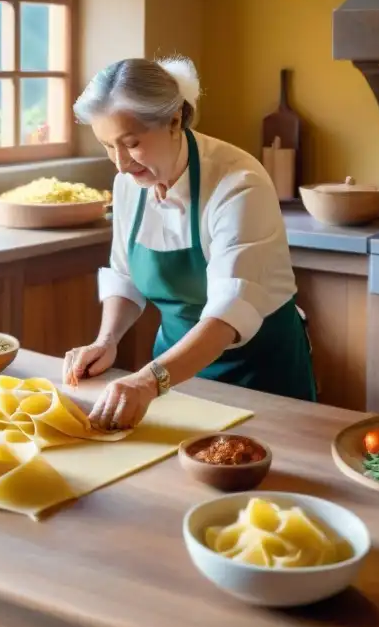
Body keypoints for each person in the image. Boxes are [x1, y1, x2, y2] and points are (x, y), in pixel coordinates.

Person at [63, 55, 316, 431]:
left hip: (261, 378)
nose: (120, 164)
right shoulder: (130, 183)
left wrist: (147, 381)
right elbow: (125, 275)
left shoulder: (238, 183)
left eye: (131, 143)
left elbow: (228, 313)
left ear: (174, 120)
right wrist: (107, 339)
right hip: (172, 375)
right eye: (107, 145)